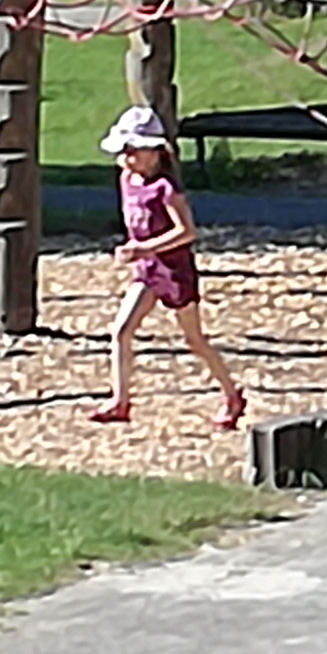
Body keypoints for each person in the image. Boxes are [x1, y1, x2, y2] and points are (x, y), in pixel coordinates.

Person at [90, 106, 245, 430]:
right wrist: (135, 248)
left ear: (154, 152)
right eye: (124, 150)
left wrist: (145, 247)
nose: (127, 157)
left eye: (134, 150)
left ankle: (231, 394)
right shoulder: (127, 179)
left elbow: (186, 232)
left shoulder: (166, 188)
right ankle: (120, 400)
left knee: (194, 340)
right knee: (121, 330)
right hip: (147, 270)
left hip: (174, 271)